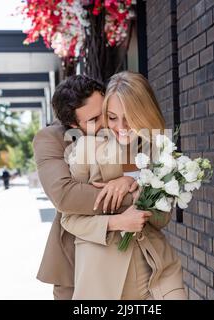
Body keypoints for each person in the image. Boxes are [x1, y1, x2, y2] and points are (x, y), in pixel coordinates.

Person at [60, 71, 186, 300]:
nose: (121, 126)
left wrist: (136, 181)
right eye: (113, 117)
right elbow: (68, 219)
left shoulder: (159, 151)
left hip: (156, 269)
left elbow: (162, 220)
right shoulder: (87, 151)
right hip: (103, 277)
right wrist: (116, 222)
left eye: (129, 116)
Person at [33, 75, 143, 300]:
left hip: (133, 258)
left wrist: (131, 181)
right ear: (74, 125)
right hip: (75, 259)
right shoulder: (50, 139)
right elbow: (66, 196)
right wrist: (133, 197)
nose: (106, 122)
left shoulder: (123, 124)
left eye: (105, 112)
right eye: (94, 119)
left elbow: (151, 169)